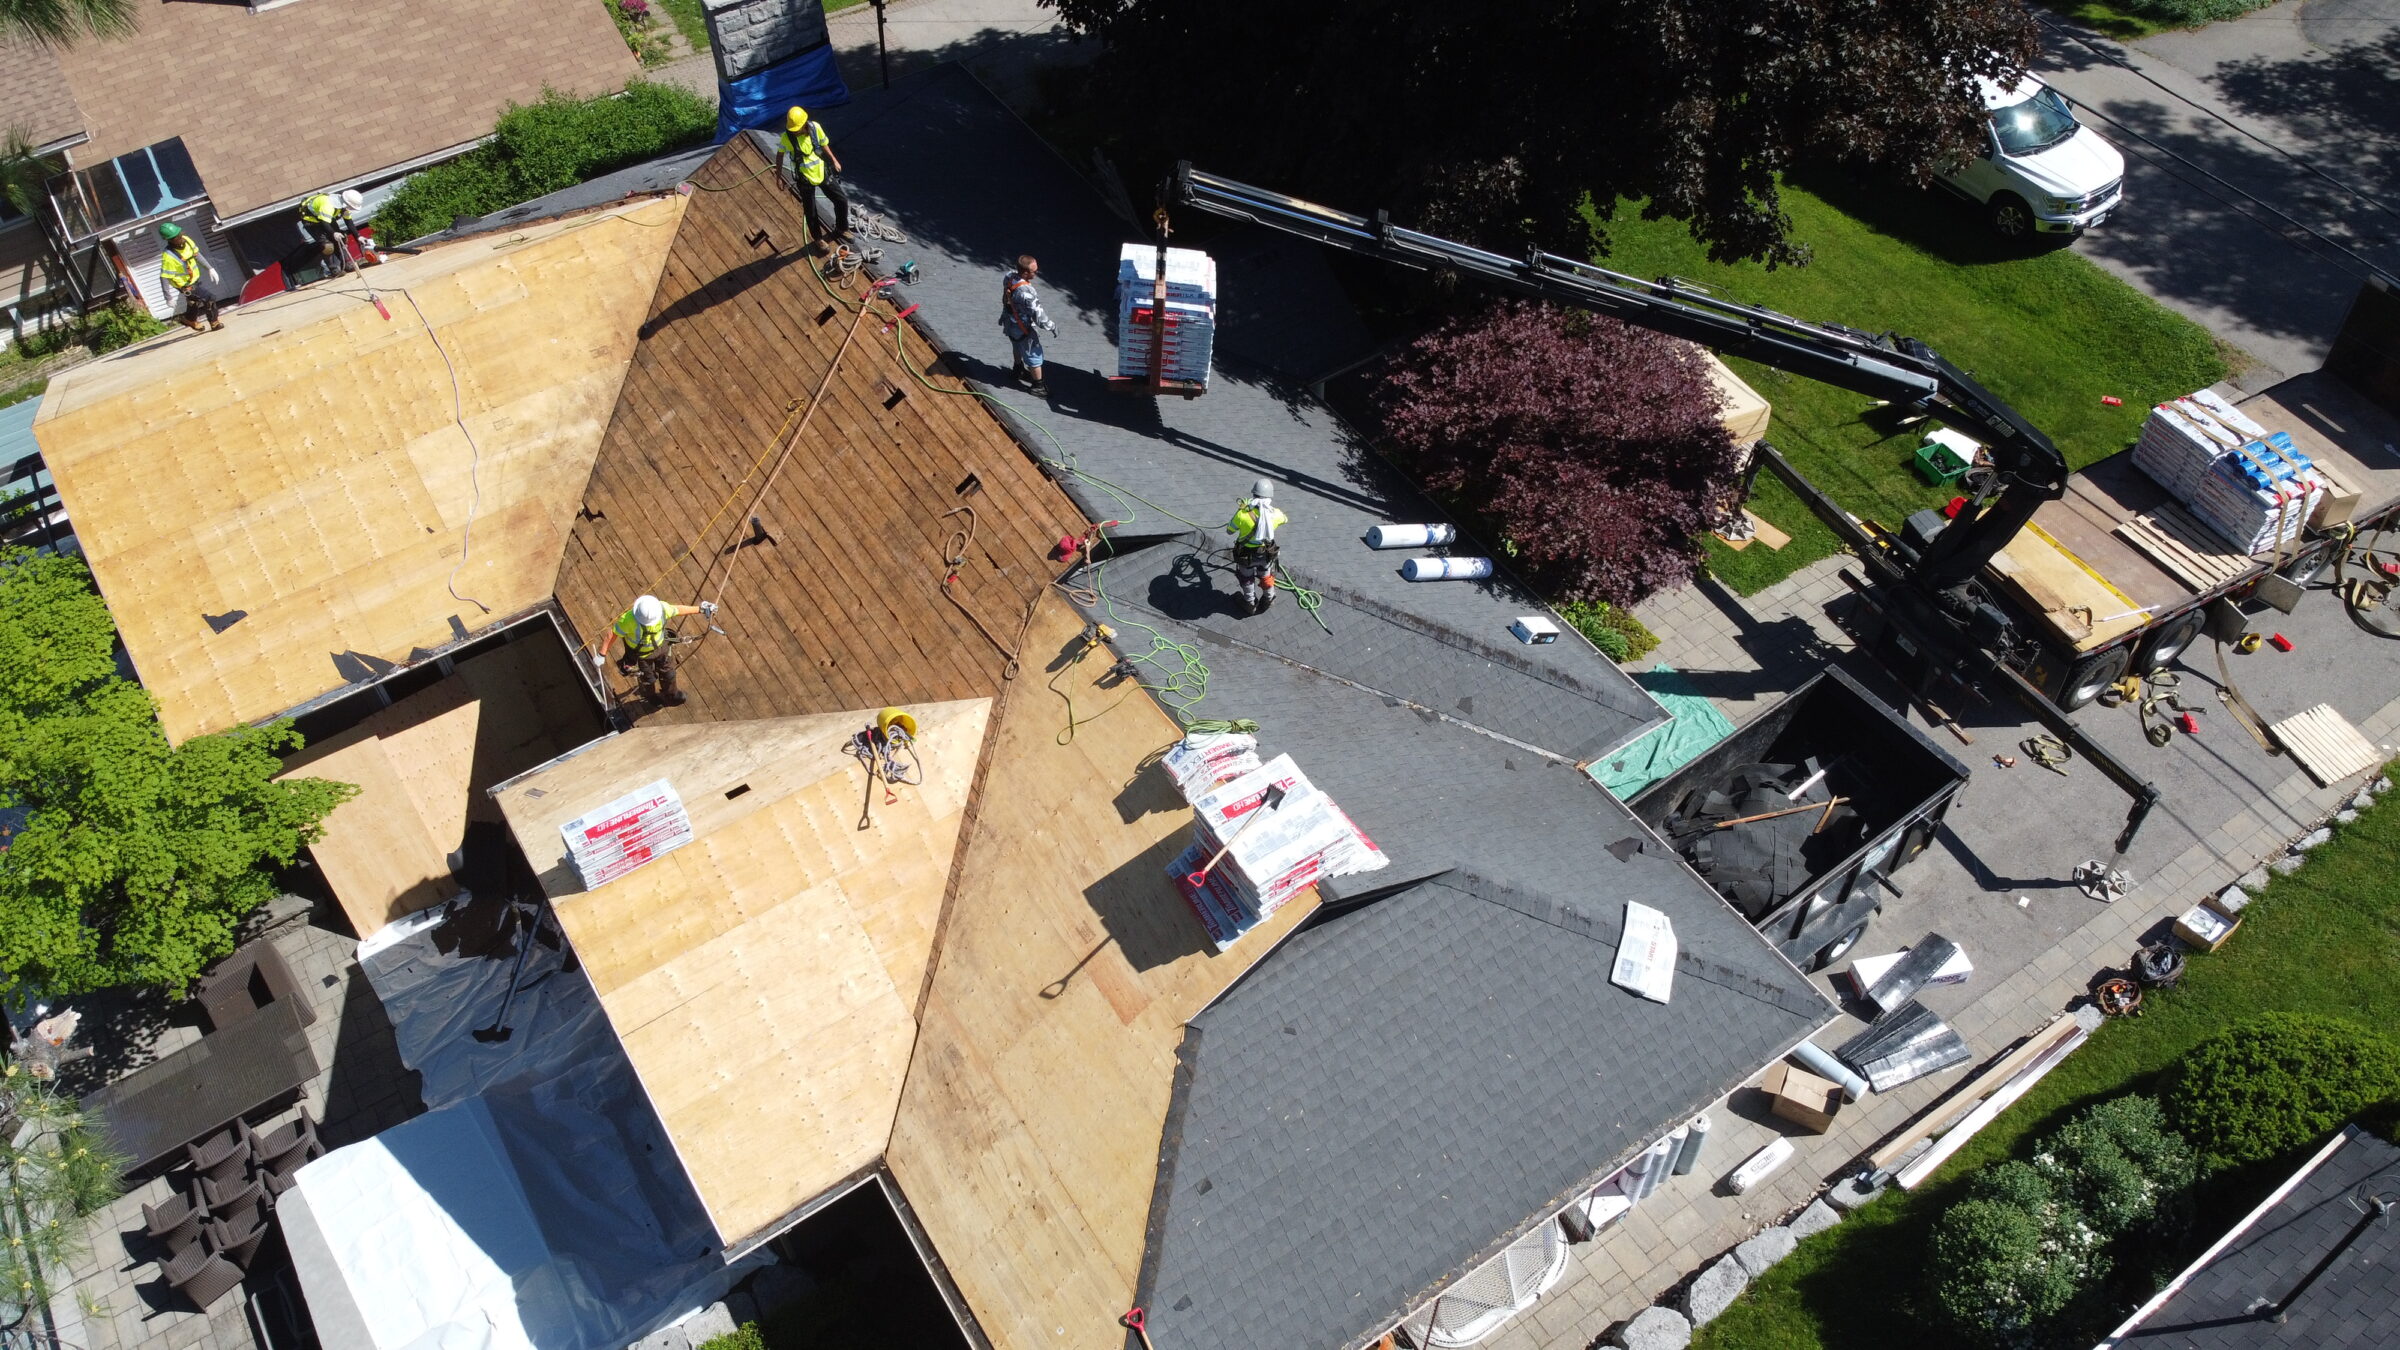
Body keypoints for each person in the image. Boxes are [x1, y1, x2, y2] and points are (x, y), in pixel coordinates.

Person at [596, 594, 718, 706]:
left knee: (669, 674)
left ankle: (672, 695)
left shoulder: (661, 609)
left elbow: (678, 609)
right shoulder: (628, 620)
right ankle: (651, 697)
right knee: (648, 680)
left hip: (662, 648)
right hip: (642, 656)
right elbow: (612, 634)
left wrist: (700, 609)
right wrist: (602, 654)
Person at [777, 106, 848, 251]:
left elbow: (824, 143)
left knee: (841, 200)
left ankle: (842, 228)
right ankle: (818, 239)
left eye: (797, 128)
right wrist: (778, 175)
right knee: (811, 211)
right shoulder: (786, 137)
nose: (794, 131)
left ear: (804, 123)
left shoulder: (815, 128)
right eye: (793, 129)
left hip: (821, 171)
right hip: (804, 177)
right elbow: (780, 155)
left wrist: (834, 160)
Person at [1223, 477, 1288, 614]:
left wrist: (1242, 510)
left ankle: (1250, 603)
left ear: (1253, 495)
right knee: (1265, 575)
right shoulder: (1275, 514)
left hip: (1246, 555)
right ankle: (1268, 598)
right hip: (1265, 554)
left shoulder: (1243, 514)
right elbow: (1285, 519)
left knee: (1247, 578)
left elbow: (1229, 531)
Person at [999, 255, 1059, 395]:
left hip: (1010, 321)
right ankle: (1039, 386)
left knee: (1016, 345)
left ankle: (1018, 369)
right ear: (1025, 272)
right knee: (1034, 355)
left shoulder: (1009, 277)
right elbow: (1038, 315)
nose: (1036, 273)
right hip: (1023, 327)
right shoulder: (1026, 292)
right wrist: (1051, 326)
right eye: (1034, 271)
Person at [157, 224, 222, 332]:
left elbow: (196, 254)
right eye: (176, 237)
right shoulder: (168, 257)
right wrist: (168, 297)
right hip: (184, 285)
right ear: (170, 240)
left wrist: (209, 268)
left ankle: (189, 319)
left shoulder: (187, 240)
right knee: (210, 298)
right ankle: (214, 323)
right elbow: (164, 277)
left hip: (194, 279)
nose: (180, 238)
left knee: (194, 302)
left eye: (180, 234)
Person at [299, 189, 366, 276]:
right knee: (327, 246)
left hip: (324, 218)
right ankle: (333, 269)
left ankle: (345, 264)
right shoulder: (327, 205)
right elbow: (324, 223)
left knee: (341, 239)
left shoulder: (344, 207)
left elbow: (348, 221)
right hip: (311, 222)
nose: (351, 208)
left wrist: (358, 236)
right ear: (346, 203)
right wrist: (333, 233)